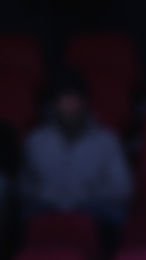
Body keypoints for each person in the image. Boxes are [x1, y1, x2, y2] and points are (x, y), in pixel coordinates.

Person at [20, 73, 132, 226]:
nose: (70, 107)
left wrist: (84, 196)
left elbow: (122, 187)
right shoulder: (36, 140)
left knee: (115, 215)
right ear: (53, 105)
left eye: (75, 101)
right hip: (46, 208)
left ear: (85, 103)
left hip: (93, 210)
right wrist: (48, 195)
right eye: (64, 101)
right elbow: (24, 183)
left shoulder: (107, 141)